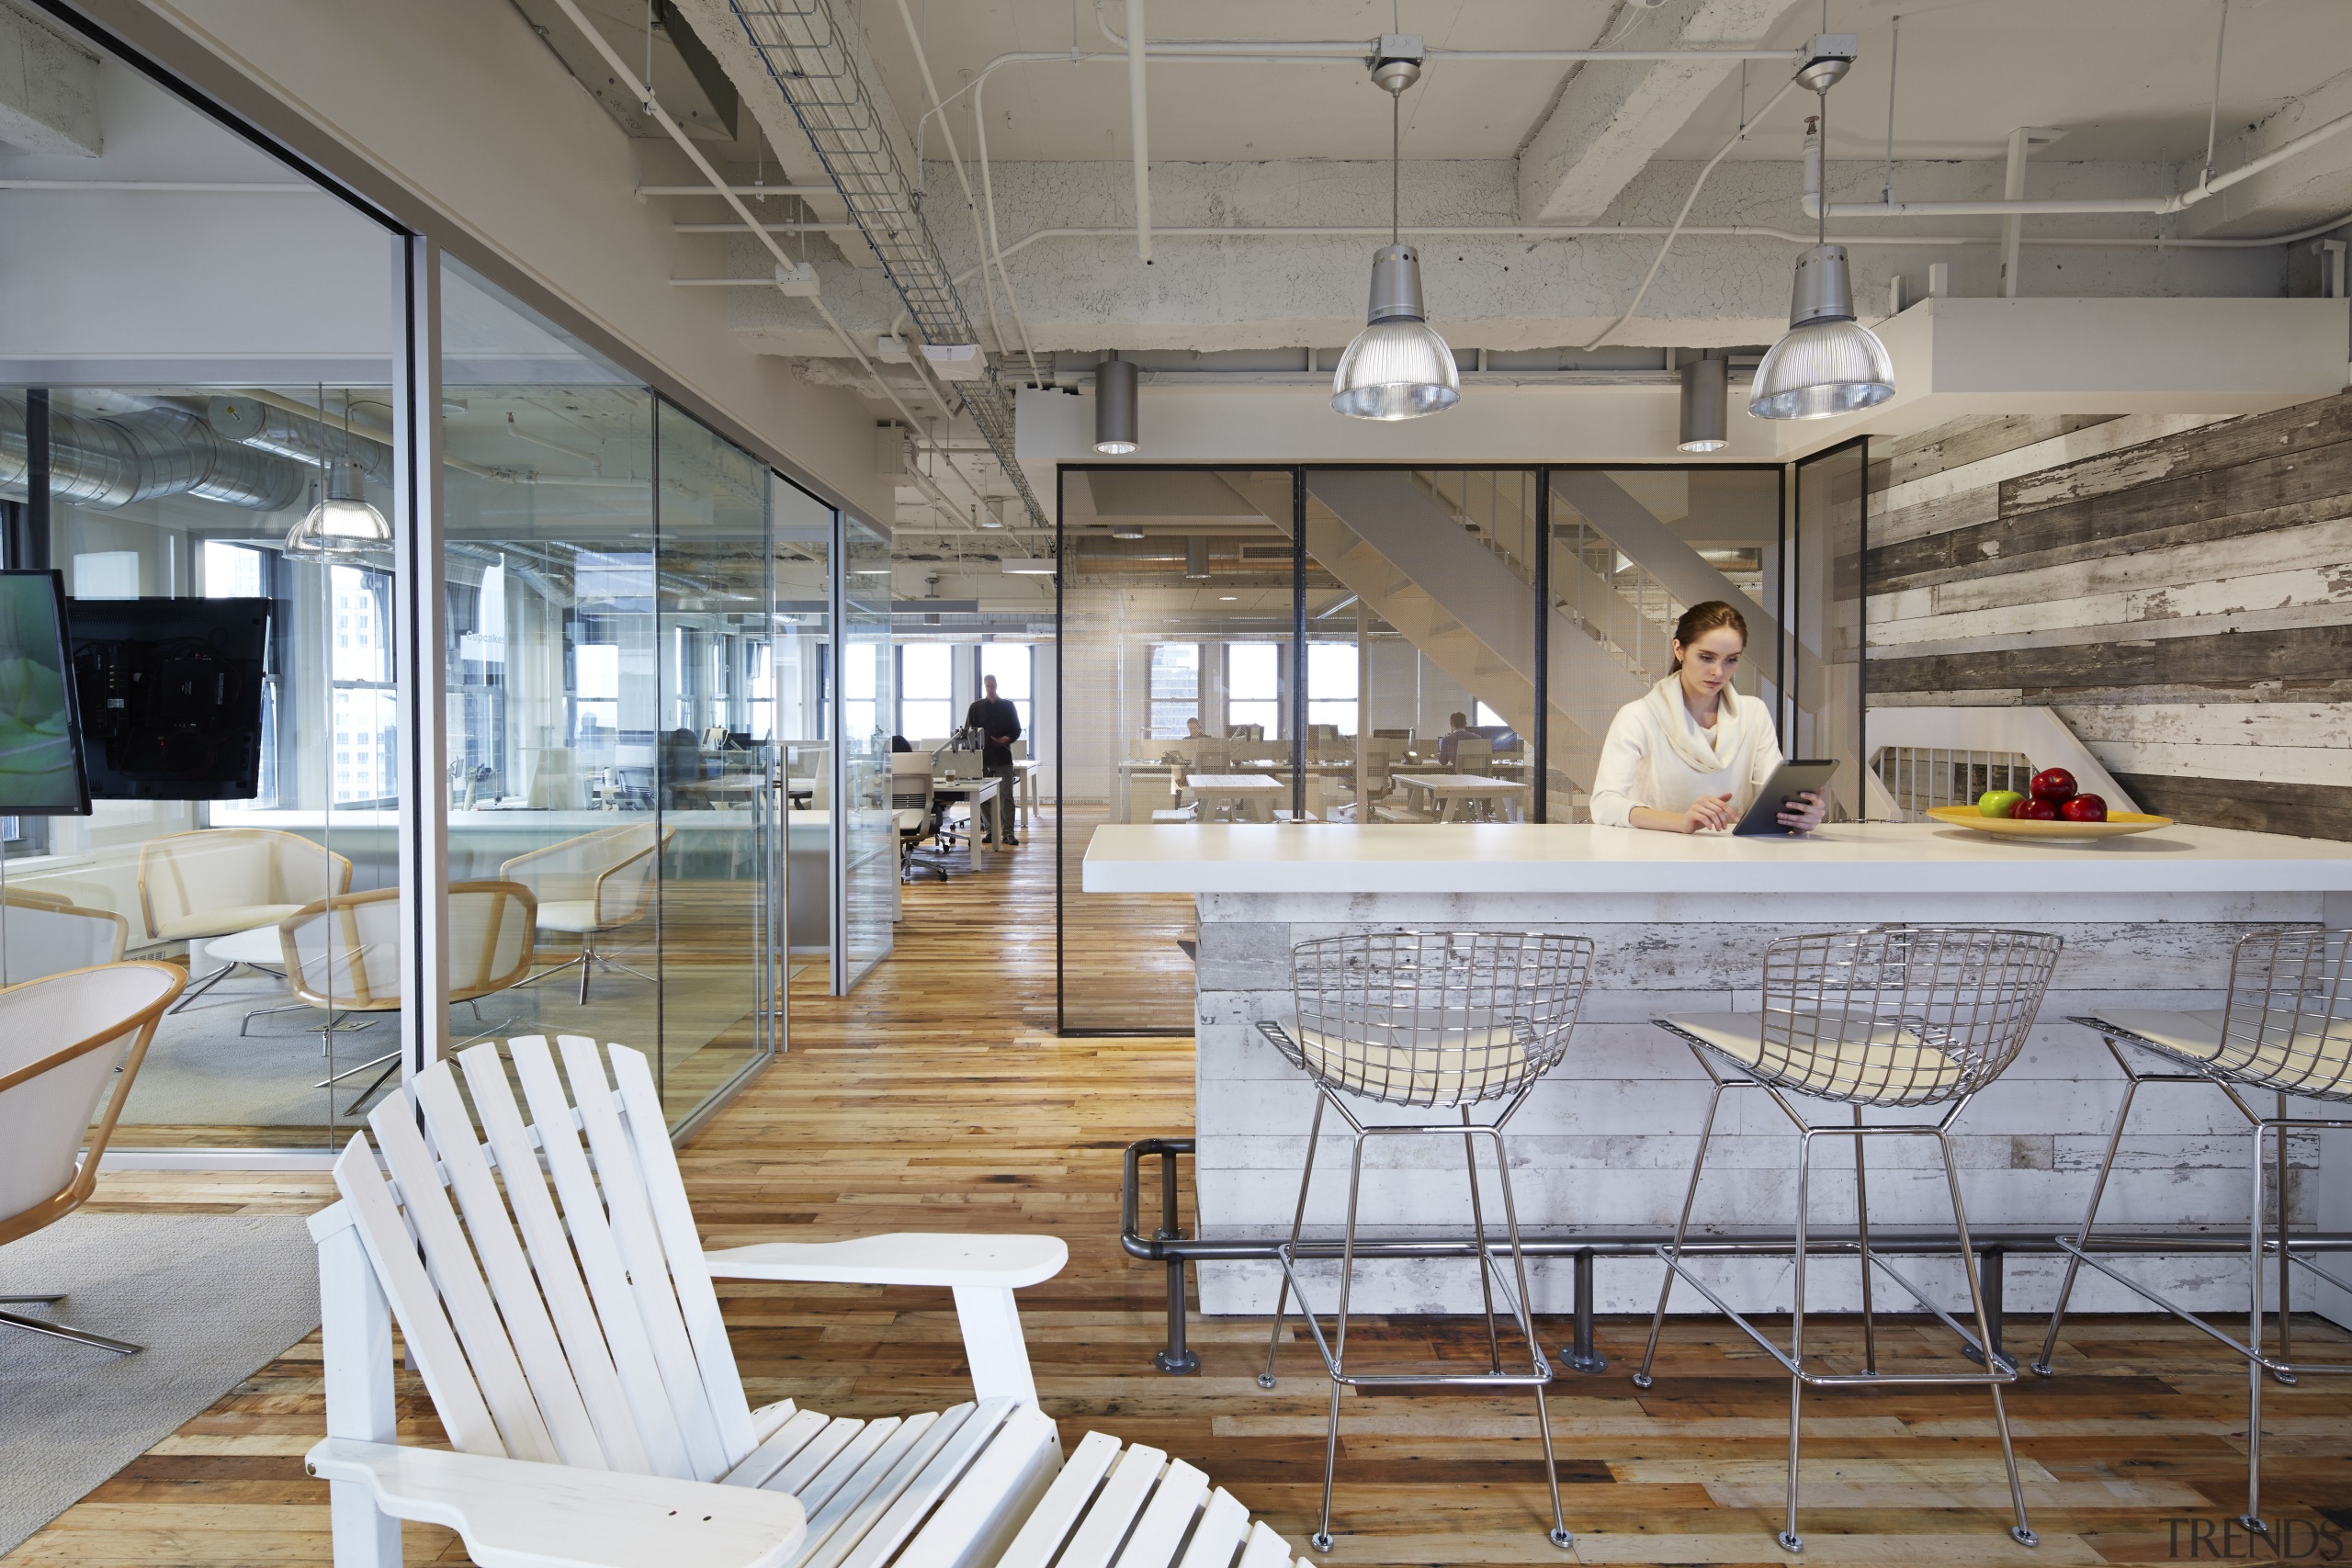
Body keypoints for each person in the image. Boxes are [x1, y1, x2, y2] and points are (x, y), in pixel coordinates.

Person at [1589, 601, 1825, 835]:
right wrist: (1681, 822)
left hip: (1738, 858)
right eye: (1706, 657)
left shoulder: (1754, 713)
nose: (1719, 672)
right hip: (1659, 858)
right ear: (1679, 649)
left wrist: (1799, 817)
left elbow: (1772, 799)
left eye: (1731, 660)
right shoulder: (1638, 716)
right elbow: (1604, 804)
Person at [965, 672, 1023, 847]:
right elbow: (968, 731)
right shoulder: (975, 707)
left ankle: (1008, 833)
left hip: (1003, 757)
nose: (990, 689)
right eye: (987, 686)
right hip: (983, 759)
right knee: (983, 798)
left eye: (993, 686)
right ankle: (990, 831)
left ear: (996, 686)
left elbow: (1017, 729)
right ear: (985, 687)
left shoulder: (1008, 706)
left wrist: (1006, 738)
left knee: (1006, 796)